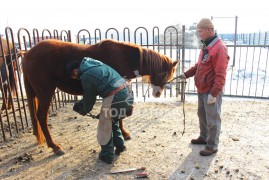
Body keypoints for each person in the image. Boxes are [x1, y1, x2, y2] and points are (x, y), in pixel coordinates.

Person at [66, 57, 134, 164]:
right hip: (127, 93)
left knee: (104, 125)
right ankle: (120, 146)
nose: (77, 79)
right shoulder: (96, 65)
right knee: (111, 120)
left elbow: (89, 99)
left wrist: (82, 109)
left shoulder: (86, 75)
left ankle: (107, 155)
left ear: (75, 71)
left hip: (117, 97)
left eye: (74, 77)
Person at [179, 18, 229, 156]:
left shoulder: (219, 48)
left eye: (201, 31)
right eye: (198, 31)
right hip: (202, 88)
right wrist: (186, 74)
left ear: (210, 29)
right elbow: (199, 65)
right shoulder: (207, 46)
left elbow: (220, 74)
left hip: (211, 90)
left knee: (213, 119)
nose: (199, 34)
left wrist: (214, 93)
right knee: (202, 114)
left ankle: (212, 146)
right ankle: (204, 137)